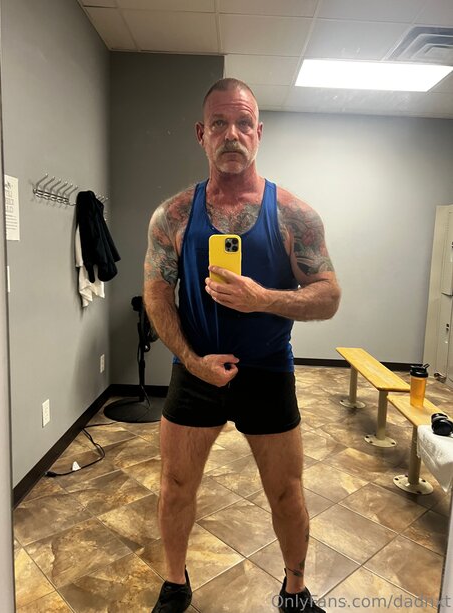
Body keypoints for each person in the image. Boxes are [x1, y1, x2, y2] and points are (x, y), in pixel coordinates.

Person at [144, 77, 341, 613]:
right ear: (201, 134)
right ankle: (175, 583)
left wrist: (263, 299)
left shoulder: (294, 215)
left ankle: (295, 591)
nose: (232, 133)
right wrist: (192, 362)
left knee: (287, 492)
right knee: (175, 485)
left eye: (243, 123)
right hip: (196, 370)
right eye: (219, 123)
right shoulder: (173, 216)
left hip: (269, 371)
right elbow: (157, 294)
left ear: (259, 132)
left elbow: (328, 296)